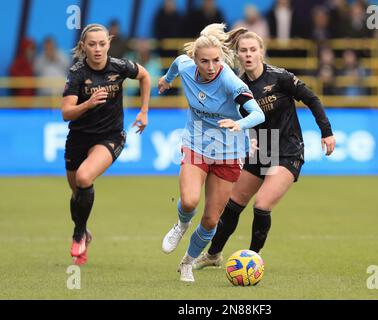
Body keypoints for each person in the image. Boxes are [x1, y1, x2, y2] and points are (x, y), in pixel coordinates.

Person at [192, 31, 336, 270]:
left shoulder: (280, 77)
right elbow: (233, 119)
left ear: (261, 52)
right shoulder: (238, 86)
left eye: (252, 50)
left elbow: (312, 99)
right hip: (262, 148)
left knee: (261, 205)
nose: (248, 55)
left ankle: (251, 260)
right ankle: (213, 255)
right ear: (237, 55)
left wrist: (327, 132)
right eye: (243, 51)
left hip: (288, 149)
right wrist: (245, 137)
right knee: (233, 204)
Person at [157, 23, 265, 282]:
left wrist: (239, 124)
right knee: (190, 201)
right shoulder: (185, 66)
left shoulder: (229, 80)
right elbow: (176, 64)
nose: (211, 66)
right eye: (204, 61)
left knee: (210, 219)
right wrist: (166, 80)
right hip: (196, 144)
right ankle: (181, 225)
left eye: (216, 60)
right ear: (195, 60)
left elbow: (258, 113)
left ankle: (188, 262)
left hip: (228, 152)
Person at [61, 24, 151, 265]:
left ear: (109, 44)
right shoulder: (77, 73)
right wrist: (87, 104)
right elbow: (66, 113)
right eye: (92, 44)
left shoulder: (120, 66)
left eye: (102, 43)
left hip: (110, 136)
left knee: (83, 178)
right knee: (77, 194)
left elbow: (145, 76)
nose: (98, 49)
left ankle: (78, 235)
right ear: (84, 47)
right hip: (78, 138)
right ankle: (85, 232)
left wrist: (143, 111)